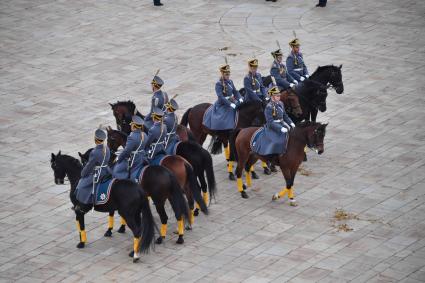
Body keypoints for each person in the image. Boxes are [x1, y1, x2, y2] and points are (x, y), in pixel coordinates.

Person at [252, 85, 295, 156]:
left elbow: (285, 115)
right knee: (276, 141)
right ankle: (273, 157)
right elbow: (270, 122)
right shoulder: (269, 107)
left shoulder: (281, 104)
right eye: (277, 96)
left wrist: (290, 122)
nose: (279, 97)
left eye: (279, 95)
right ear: (272, 97)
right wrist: (280, 128)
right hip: (272, 127)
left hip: (282, 123)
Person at [75, 129, 111, 212]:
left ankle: (84, 206)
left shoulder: (95, 152)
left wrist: (83, 173)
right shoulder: (107, 148)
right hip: (106, 170)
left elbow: (89, 166)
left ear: (95, 139)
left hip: (99, 173)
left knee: (82, 185)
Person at [202, 63, 243, 130]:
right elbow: (221, 97)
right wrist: (230, 104)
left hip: (232, 100)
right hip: (223, 103)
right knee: (224, 117)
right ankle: (222, 131)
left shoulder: (230, 81)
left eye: (229, 74)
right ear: (222, 74)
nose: (228, 76)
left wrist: (240, 98)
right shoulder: (219, 84)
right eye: (226, 74)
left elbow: (235, 91)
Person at [112, 116, 147, 181]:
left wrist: (119, 158)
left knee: (116, 171)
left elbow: (127, 151)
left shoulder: (132, 136)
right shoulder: (144, 134)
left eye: (131, 124)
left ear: (133, 125)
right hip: (143, 157)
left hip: (135, 160)